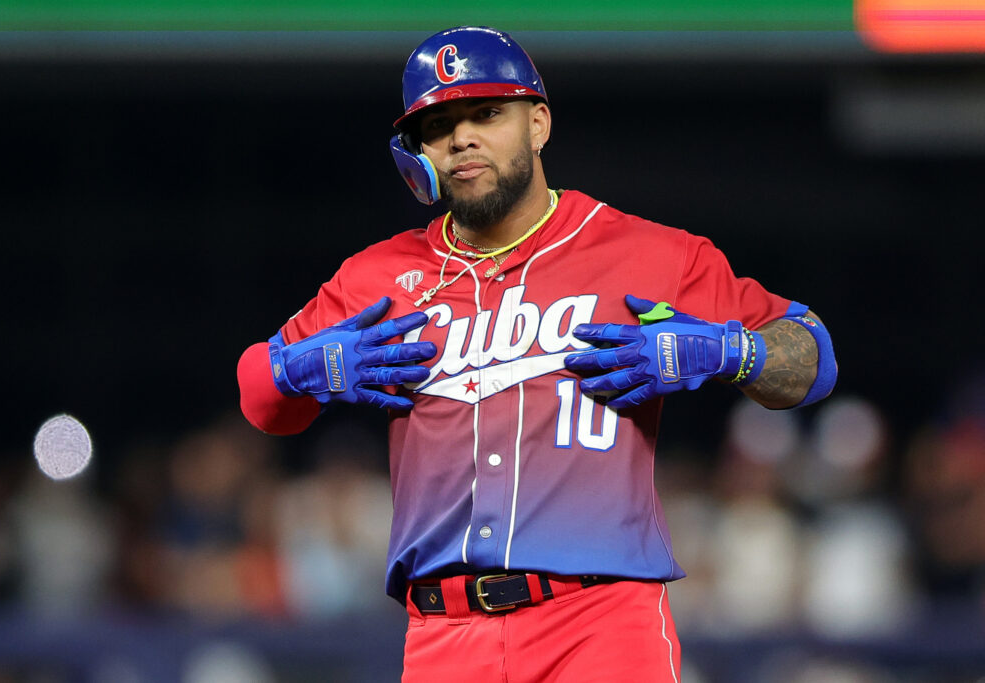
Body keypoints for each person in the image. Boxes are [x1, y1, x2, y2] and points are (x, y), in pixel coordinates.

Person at [237, 26, 837, 682]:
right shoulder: (377, 277)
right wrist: (303, 368)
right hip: (443, 635)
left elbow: (811, 357)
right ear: (417, 151)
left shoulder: (650, 255)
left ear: (539, 123)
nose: (461, 136)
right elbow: (260, 399)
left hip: (599, 624)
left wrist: (731, 351)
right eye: (438, 124)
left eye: (486, 112)